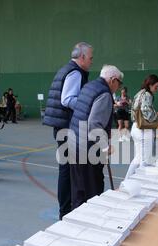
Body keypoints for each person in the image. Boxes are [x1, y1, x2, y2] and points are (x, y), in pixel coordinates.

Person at [43, 42, 93, 220]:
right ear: (82, 57)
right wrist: (87, 105)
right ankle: (65, 211)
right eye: (90, 58)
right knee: (67, 171)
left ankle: (66, 209)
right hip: (67, 127)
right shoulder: (75, 72)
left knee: (67, 169)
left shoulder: (67, 69)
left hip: (63, 126)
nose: (92, 61)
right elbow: (67, 99)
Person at [69, 65, 123, 209]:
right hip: (88, 149)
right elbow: (94, 125)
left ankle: (76, 224)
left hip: (75, 142)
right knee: (92, 192)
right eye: (119, 82)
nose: (118, 86)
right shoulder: (105, 94)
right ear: (112, 80)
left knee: (78, 191)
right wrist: (105, 146)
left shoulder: (89, 86)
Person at [125, 74, 158, 179]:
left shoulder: (140, 93)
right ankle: (140, 181)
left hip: (136, 127)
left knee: (138, 158)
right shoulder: (147, 94)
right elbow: (146, 111)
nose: (157, 89)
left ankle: (126, 180)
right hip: (143, 129)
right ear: (150, 85)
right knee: (145, 160)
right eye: (156, 87)